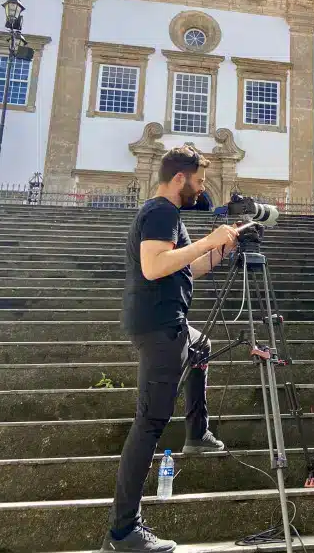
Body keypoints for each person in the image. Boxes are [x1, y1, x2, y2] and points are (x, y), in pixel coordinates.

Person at [100, 146, 240, 553]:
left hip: (169, 325)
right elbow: (154, 266)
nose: (202, 188)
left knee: (201, 345)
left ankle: (197, 433)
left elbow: (187, 266)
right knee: (150, 424)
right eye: (198, 181)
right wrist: (207, 240)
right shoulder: (161, 211)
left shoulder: (169, 216)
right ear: (180, 178)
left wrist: (222, 248)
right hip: (159, 328)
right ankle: (123, 532)